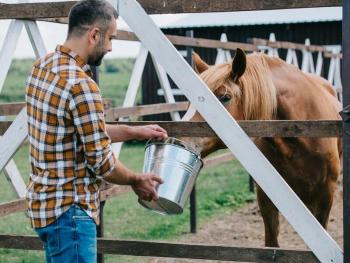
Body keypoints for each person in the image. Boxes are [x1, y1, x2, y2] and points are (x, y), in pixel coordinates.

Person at [25, 0, 167, 262]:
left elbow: (81, 130)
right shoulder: (82, 85)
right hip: (71, 215)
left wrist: (134, 131)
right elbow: (102, 163)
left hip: (46, 206)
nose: (111, 47)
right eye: (110, 38)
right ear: (94, 34)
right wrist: (137, 179)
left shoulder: (42, 68)